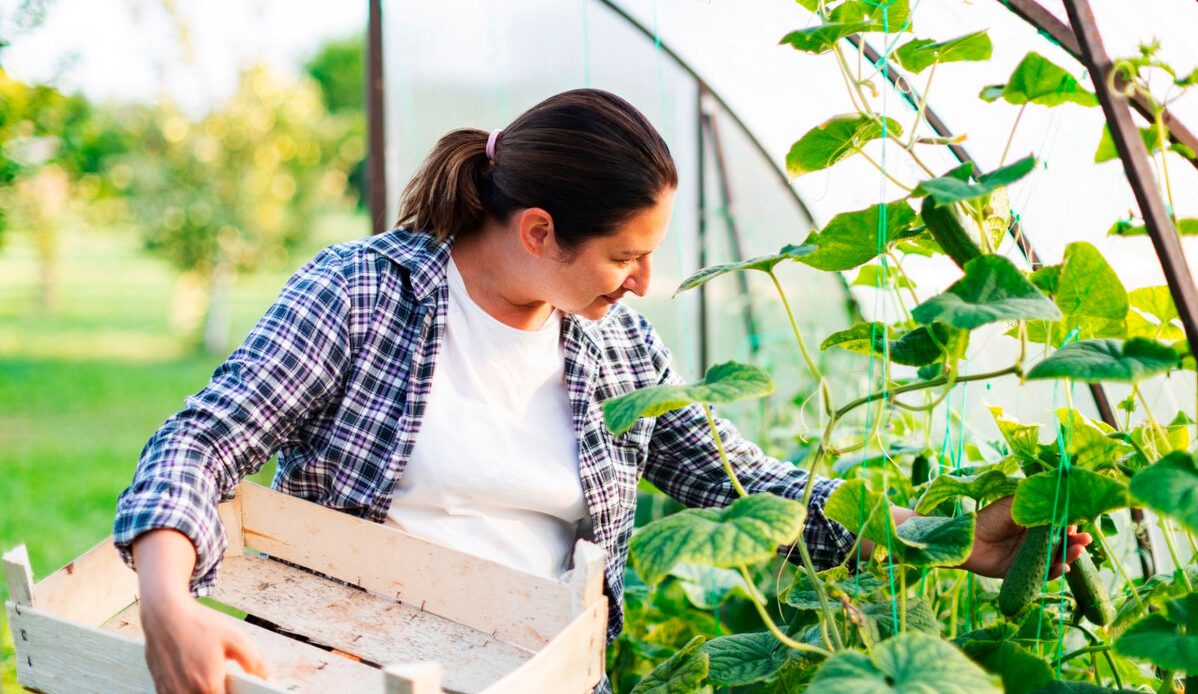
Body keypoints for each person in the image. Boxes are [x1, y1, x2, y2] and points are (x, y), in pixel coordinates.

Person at [113, 89, 1090, 694]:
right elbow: (202, 440)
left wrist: (950, 536)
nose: (641, 282)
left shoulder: (612, 340)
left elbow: (740, 481)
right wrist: (167, 599)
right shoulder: (368, 293)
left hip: (546, 670)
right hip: (359, 669)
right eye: (626, 254)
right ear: (538, 229)